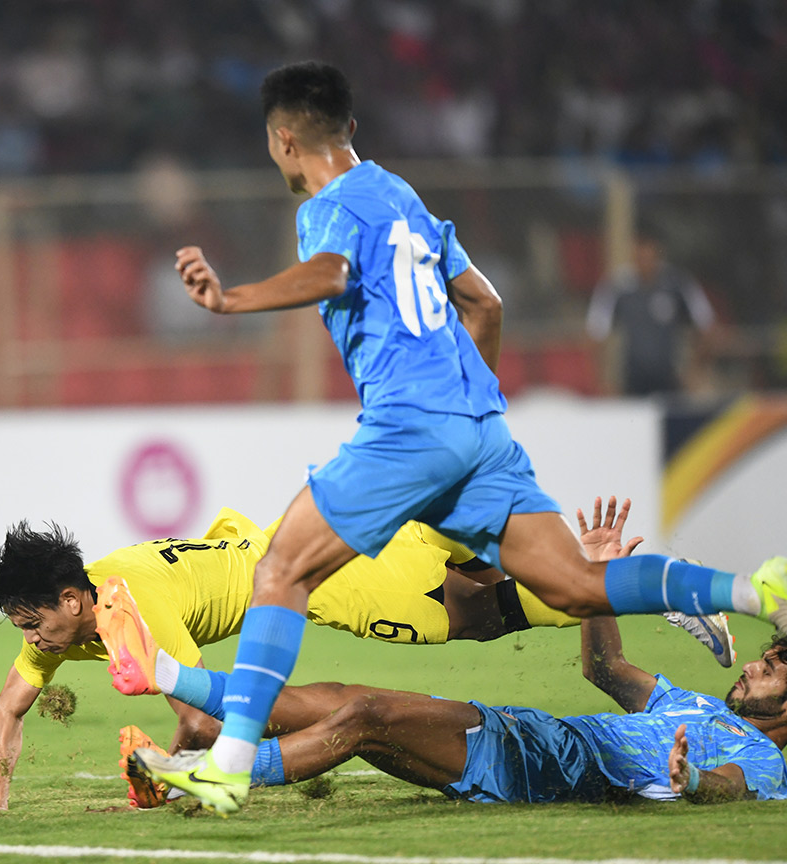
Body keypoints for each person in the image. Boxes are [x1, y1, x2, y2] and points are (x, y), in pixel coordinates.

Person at [156, 60, 787, 814]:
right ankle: (756, 591)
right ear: (352, 129)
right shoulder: (404, 197)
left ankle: (228, 764)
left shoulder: (330, 203)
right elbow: (483, 304)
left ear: (283, 140)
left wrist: (232, 299)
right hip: (479, 429)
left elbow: (329, 273)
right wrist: (470, 412)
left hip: (408, 427)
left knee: (281, 572)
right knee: (576, 584)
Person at [0, 503, 729, 811]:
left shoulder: (127, 605)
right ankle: (594, 573)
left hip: (330, 575)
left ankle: (626, 584)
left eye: (32, 620)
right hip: (311, 545)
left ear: (73, 600)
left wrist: (164, 783)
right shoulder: (68, 622)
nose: (29, 638)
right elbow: (8, 707)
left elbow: (200, 718)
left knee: (476, 621)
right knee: (485, 595)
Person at [586, 223, 717, 397]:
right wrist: (603, 381)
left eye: (649, 254)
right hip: (631, 381)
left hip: (671, 380)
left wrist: (694, 372)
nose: (645, 260)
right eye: (640, 254)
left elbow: (707, 327)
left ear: (658, 254)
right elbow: (595, 333)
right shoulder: (617, 286)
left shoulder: (678, 283)